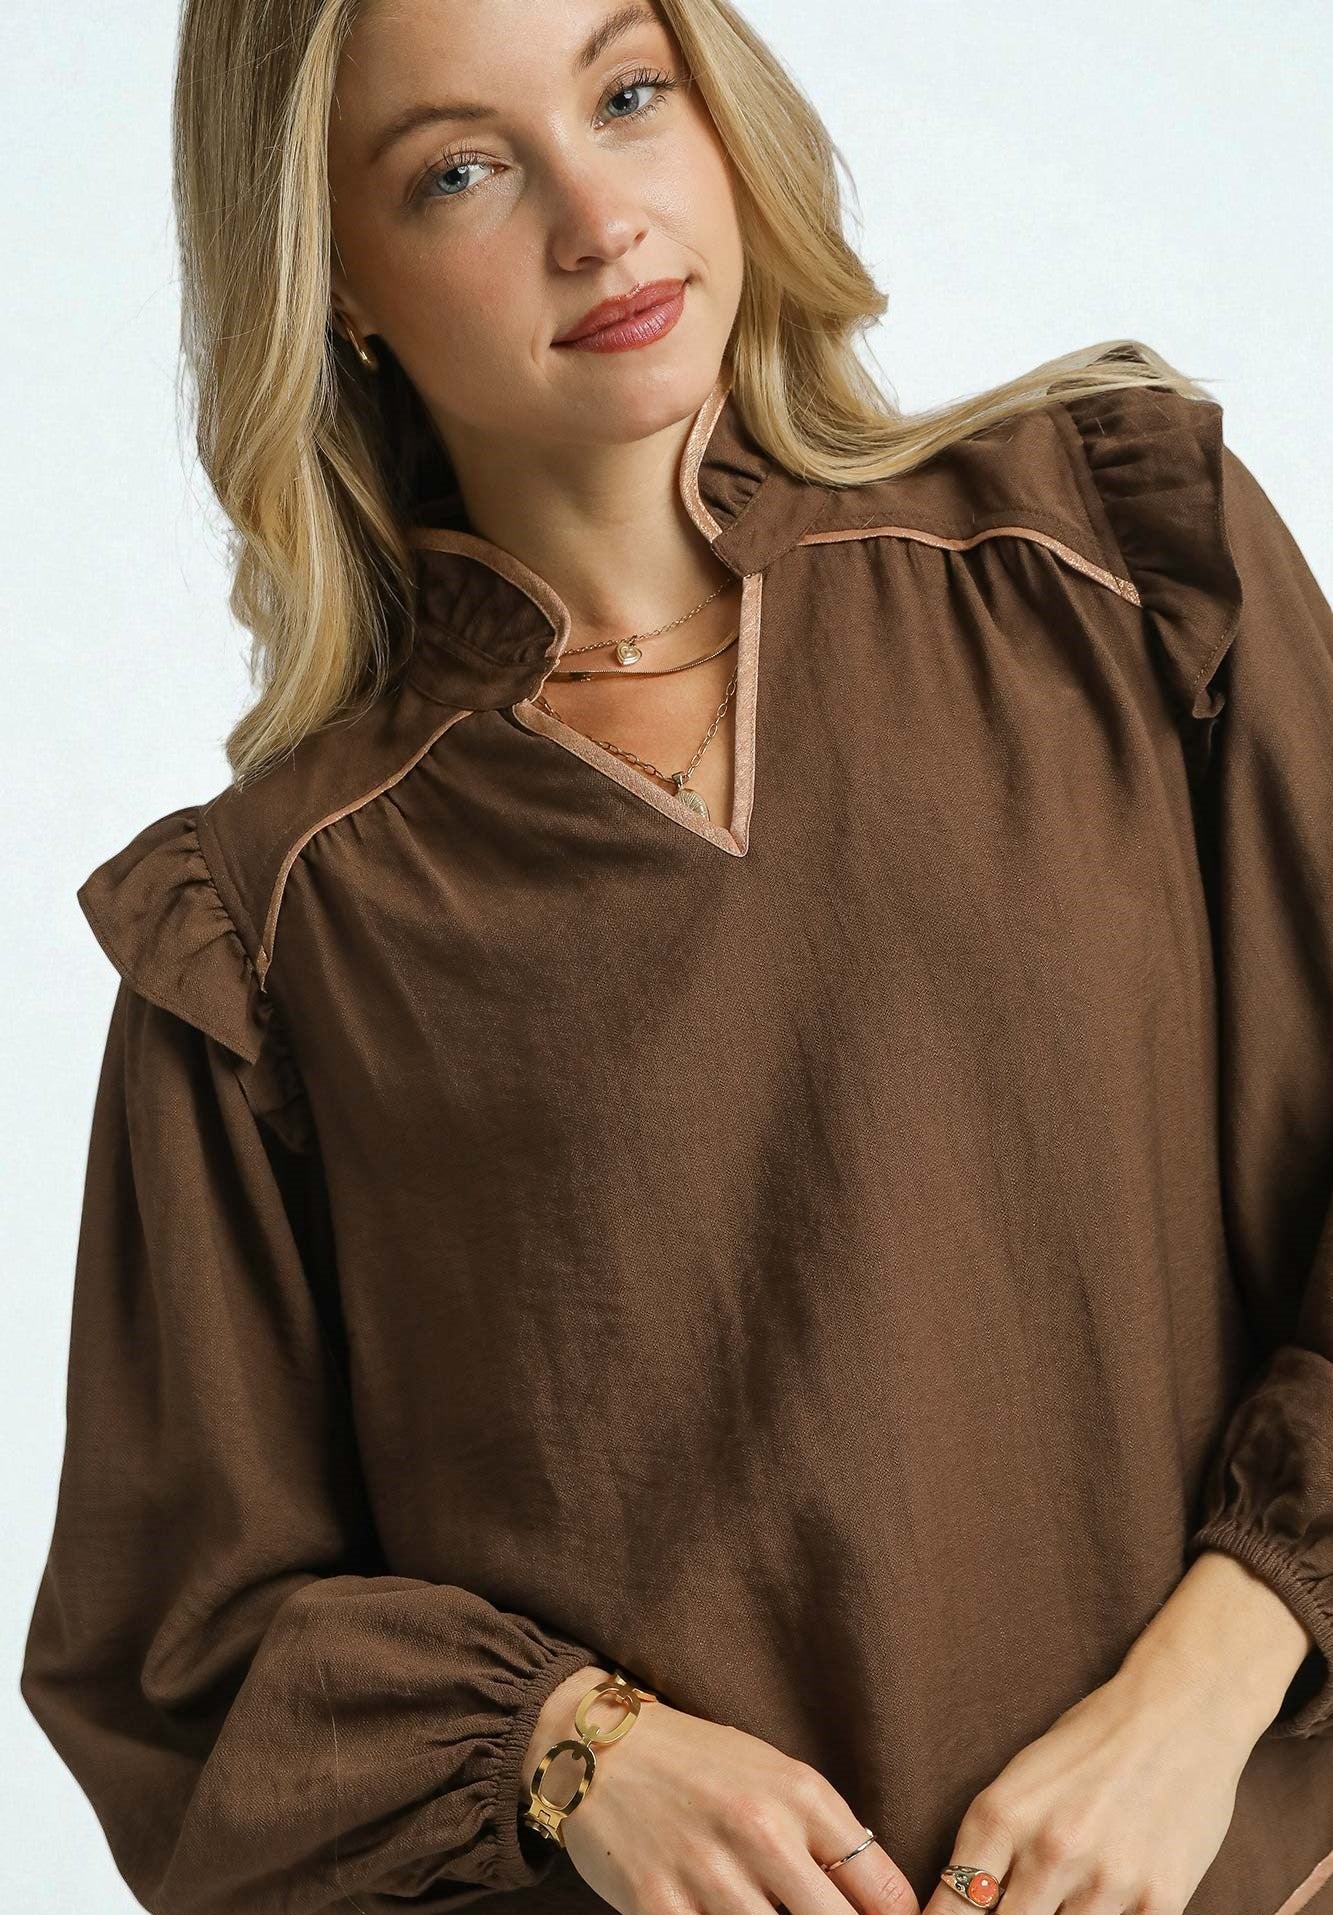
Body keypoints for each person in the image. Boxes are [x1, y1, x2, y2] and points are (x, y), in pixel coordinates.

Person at [20, 2, 1333, 1914]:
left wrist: (1205, 1688)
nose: (598, 218)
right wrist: (571, 1753)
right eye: (459, 170)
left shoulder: (1116, 575)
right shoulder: (279, 922)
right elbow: (178, 1654)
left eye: (628, 95)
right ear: (341, 285)